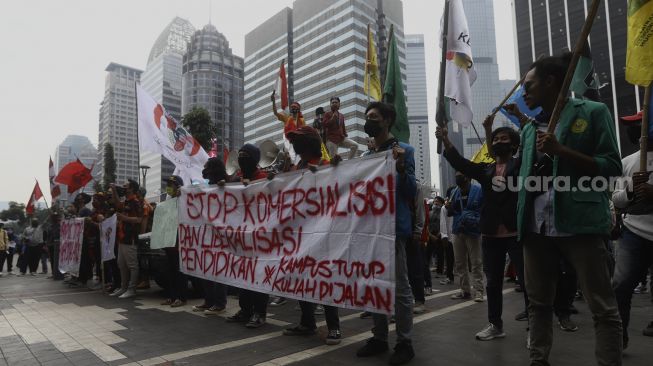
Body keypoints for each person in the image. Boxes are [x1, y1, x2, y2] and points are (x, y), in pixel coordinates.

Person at [515, 53, 623, 365]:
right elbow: (525, 180)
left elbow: (611, 166)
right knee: (538, 303)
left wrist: (563, 151)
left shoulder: (593, 112)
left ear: (550, 82)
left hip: (581, 224)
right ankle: (538, 359)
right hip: (537, 229)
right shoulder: (529, 128)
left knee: (602, 307)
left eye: (529, 85)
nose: (524, 92)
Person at [437, 114, 528, 340]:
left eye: (503, 139)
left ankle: (534, 329)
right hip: (490, 234)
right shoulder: (485, 170)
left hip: (517, 233)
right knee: (493, 283)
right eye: (495, 140)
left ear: (514, 145)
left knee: (527, 283)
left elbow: (530, 148)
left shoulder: (521, 165)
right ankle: (495, 325)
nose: (498, 142)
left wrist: (520, 119)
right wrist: (447, 140)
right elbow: (461, 163)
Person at [356, 102, 416, 365]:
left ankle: (405, 342)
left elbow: (411, 192)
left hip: (393, 229)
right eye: (367, 117)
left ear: (388, 121)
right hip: (371, 229)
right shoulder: (367, 158)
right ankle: (379, 337)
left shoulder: (405, 151)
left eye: (374, 117)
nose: (369, 121)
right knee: (374, 284)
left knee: (400, 288)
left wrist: (401, 168)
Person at [271, 126, 342, 345]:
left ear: (311, 143)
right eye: (294, 141)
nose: (296, 145)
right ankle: (307, 322)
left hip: (323, 233)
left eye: (300, 141)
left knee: (325, 279)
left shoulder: (328, 165)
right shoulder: (295, 168)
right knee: (301, 278)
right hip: (299, 235)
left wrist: (337, 169)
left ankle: (334, 327)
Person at [611, 109, 653, 349]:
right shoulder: (627, 162)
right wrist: (630, 192)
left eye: (641, 125)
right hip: (634, 232)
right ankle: (618, 336)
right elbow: (615, 199)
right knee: (621, 285)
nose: (636, 132)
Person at [226, 145, 269, 328]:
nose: (242, 158)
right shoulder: (236, 178)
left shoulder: (264, 178)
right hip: (241, 237)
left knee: (258, 276)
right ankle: (245, 310)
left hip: (260, 237)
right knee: (243, 276)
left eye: (246, 155)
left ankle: (260, 313)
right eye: (240, 155)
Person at [192, 157, 229, 315]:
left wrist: (226, 187)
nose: (204, 171)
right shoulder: (208, 187)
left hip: (222, 236)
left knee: (219, 269)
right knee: (206, 268)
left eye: (207, 167)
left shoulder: (229, 184)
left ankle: (220, 303)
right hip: (208, 235)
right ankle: (209, 300)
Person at [445, 171, 484, 302]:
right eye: (456, 174)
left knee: (476, 262)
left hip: (473, 230)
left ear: (468, 177)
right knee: (460, 263)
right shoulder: (454, 192)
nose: (457, 176)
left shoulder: (478, 191)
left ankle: (479, 291)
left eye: (460, 174)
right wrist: (448, 207)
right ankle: (465, 290)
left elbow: (483, 209)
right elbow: (450, 213)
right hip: (458, 230)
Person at [109, 179, 144, 299]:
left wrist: (124, 218)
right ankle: (123, 288)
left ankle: (132, 289)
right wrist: (114, 190)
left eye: (126, 186)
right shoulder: (126, 201)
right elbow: (117, 204)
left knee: (132, 265)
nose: (123, 187)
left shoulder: (136, 202)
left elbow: (139, 219)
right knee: (121, 264)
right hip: (122, 238)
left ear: (131, 189)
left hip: (130, 238)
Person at [160, 175, 188, 308]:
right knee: (170, 271)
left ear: (179, 186)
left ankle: (181, 298)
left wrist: (183, 193)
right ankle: (171, 296)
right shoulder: (168, 202)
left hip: (180, 243)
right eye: (168, 184)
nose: (169, 187)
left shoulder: (184, 200)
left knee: (179, 271)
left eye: (172, 184)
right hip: (169, 242)